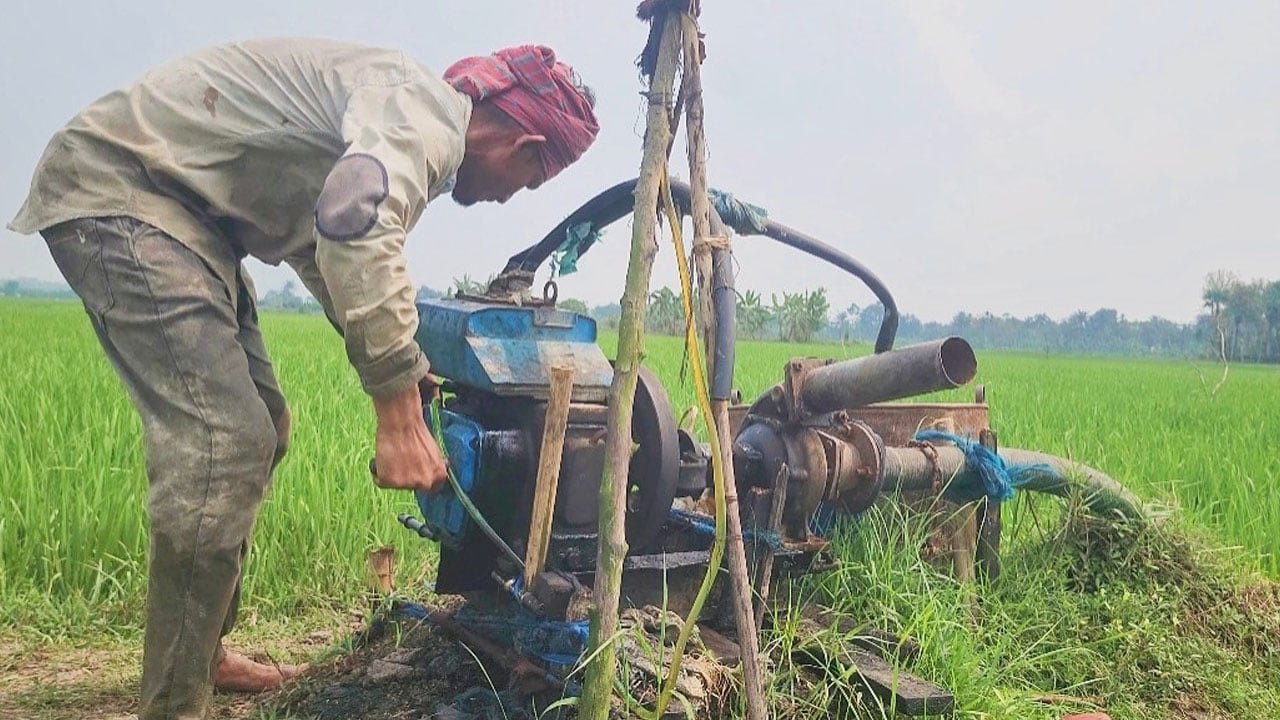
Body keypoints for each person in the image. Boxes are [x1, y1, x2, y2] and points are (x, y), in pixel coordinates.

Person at [7, 37, 599, 720]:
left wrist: (407, 365)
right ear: (523, 141)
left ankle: (198, 653)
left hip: (188, 220)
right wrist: (396, 412)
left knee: (264, 424)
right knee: (220, 446)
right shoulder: (424, 119)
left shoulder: (398, 114)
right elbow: (355, 225)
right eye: (528, 179)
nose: (508, 197)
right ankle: (174, 704)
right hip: (125, 192)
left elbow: (326, 247)